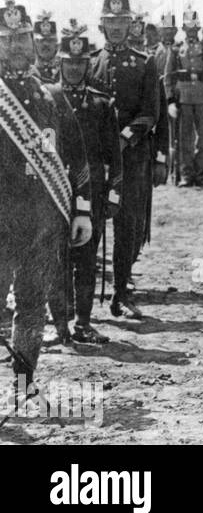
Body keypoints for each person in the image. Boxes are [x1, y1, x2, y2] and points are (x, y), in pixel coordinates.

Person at [0, 0, 94, 378]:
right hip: (1, 218)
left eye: (23, 37)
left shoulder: (52, 97)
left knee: (32, 303)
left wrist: (82, 211)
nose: (18, 45)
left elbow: (76, 158)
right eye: (7, 39)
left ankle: (23, 385)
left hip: (42, 220)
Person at [88, 0, 158, 319]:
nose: (116, 27)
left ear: (130, 25)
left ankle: (121, 292)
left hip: (132, 155)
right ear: (102, 25)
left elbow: (150, 112)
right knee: (95, 219)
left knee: (128, 223)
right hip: (99, 158)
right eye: (110, 21)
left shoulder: (145, 64)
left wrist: (126, 136)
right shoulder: (90, 64)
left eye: (122, 21)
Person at [50, 20, 120, 343]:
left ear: (88, 63)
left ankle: (83, 322)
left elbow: (114, 155)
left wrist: (114, 192)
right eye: (69, 62)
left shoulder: (101, 104)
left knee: (86, 259)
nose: (75, 68)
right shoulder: (47, 100)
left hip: (90, 190)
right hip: (53, 189)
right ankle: (60, 325)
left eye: (80, 63)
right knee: (56, 259)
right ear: (60, 63)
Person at [165, 9, 203, 186]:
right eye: (189, 26)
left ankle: (201, 173)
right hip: (183, 98)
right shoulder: (176, 48)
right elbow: (169, 76)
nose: (192, 29)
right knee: (184, 138)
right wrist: (170, 100)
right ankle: (186, 174)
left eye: (195, 26)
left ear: (199, 27)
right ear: (183, 28)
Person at [32, 11, 59, 83]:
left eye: (50, 40)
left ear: (56, 46)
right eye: (41, 41)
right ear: (35, 45)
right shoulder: (30, 75)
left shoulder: (63, 73)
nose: (46, 44)